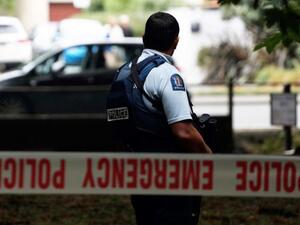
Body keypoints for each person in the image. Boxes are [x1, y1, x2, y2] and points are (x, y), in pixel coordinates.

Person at [107, 11, 212, 225]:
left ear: (144, 39)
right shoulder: (166, 74)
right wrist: (209, 157)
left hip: (139, 173)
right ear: (176, 41)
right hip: (170, 176)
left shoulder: (124, 72)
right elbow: (183, 131)